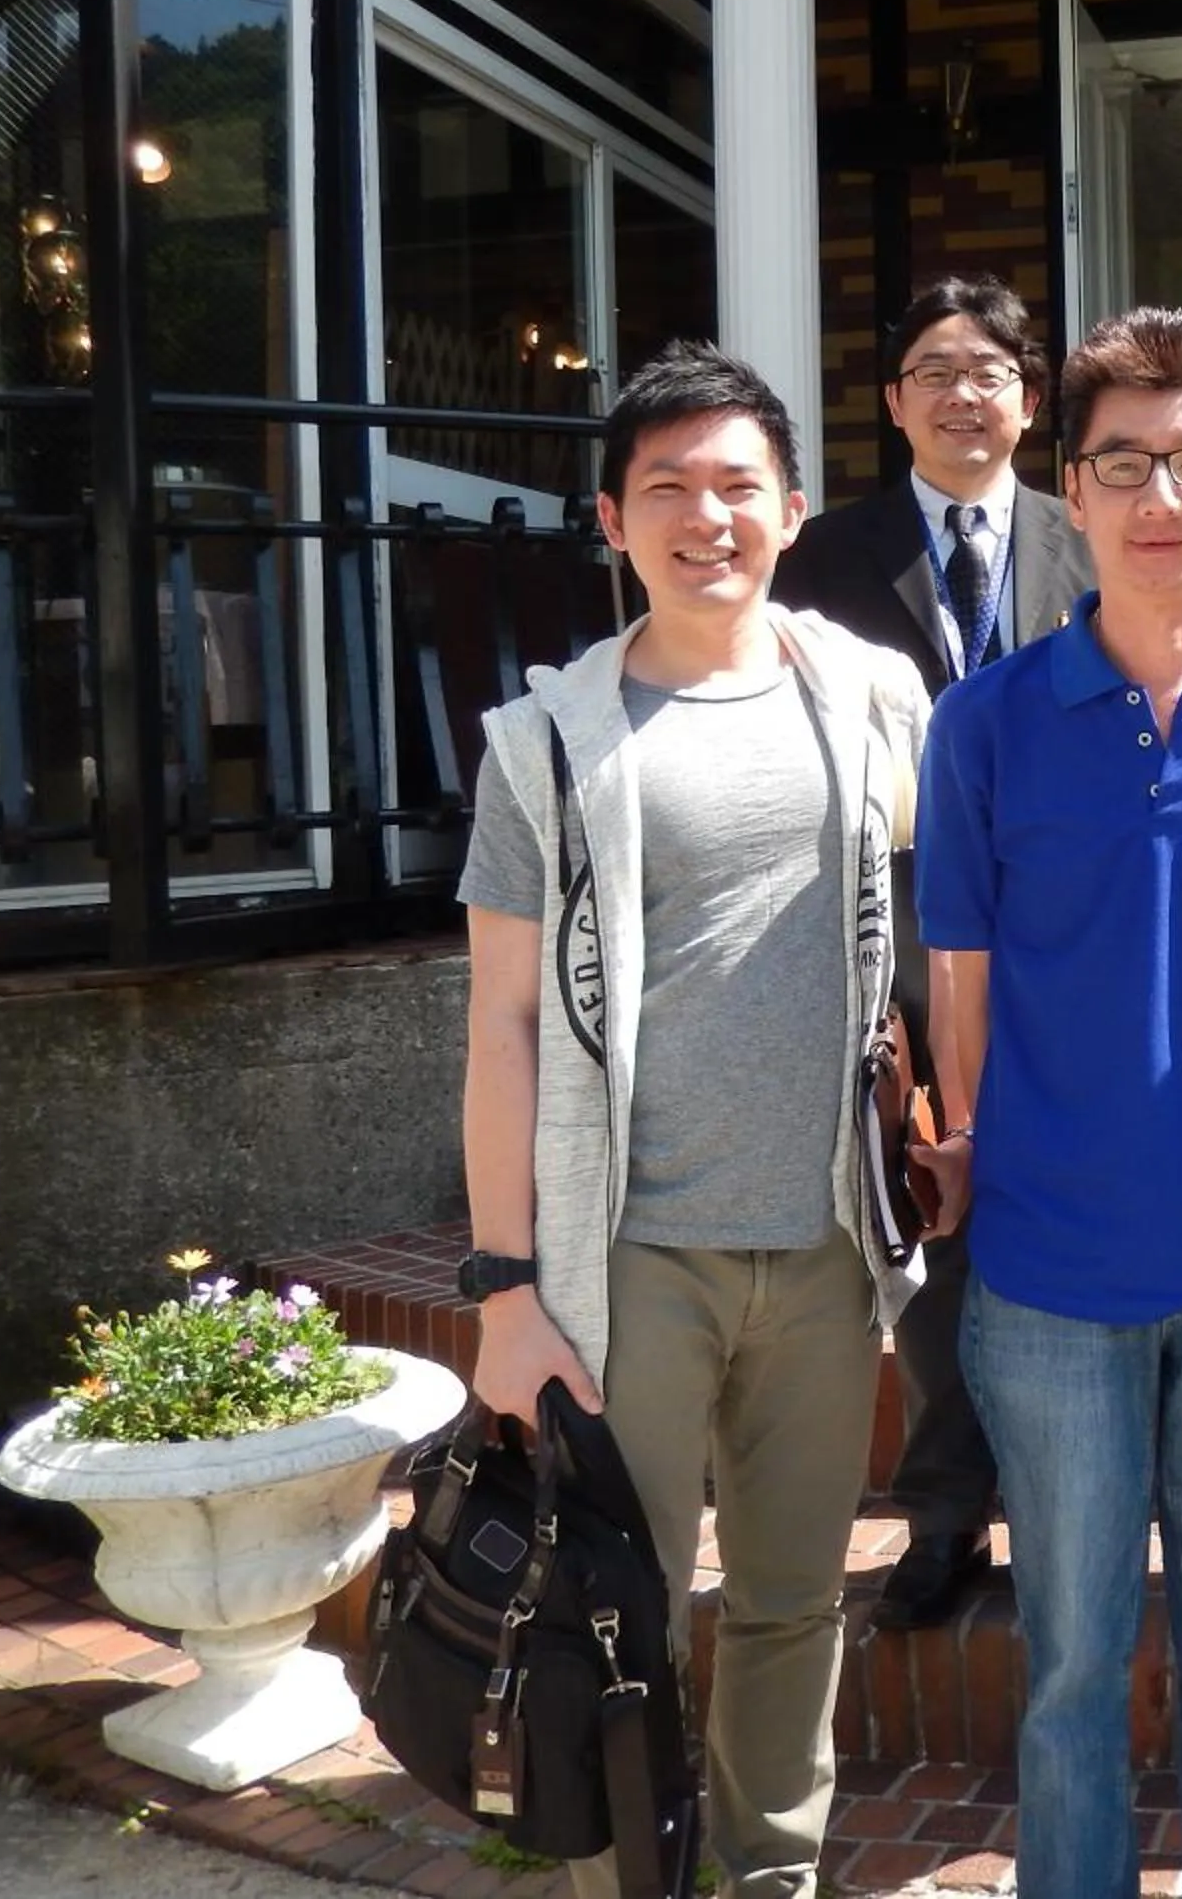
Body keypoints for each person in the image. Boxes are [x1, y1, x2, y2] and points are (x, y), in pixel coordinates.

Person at [454, 341, 933, 1899]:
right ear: (612, 516)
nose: (706, 514)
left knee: (795, 1600)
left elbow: (955, 932)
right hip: (626, 1253)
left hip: (824, 1239)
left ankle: (767, 1873)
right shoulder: (542, 743)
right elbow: (508, 1022)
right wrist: (505, 1287)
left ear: (792, 510)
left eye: (739, 484)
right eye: (668, 486)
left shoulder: (875, 697)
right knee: (617, 1606)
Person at [915, 304, 1182, 1899]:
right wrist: (971, 1142)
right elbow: (955, 960)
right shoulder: (984, 719)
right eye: (1124, 464)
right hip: (1043, 1266)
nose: (1160, 496)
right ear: (1072, 485)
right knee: (1070, 1661)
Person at [773, 274, 1092, 1632]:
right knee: (936, 1229)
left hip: (1075, 933)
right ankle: (949, 1513)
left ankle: (1082, 1501)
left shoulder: (1090, 539)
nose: (967, 394)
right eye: (936, 371)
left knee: (1075, 1207)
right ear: (894, 400)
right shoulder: (823, 561)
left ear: (1031, 399)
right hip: (899, 939)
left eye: (993, 371)